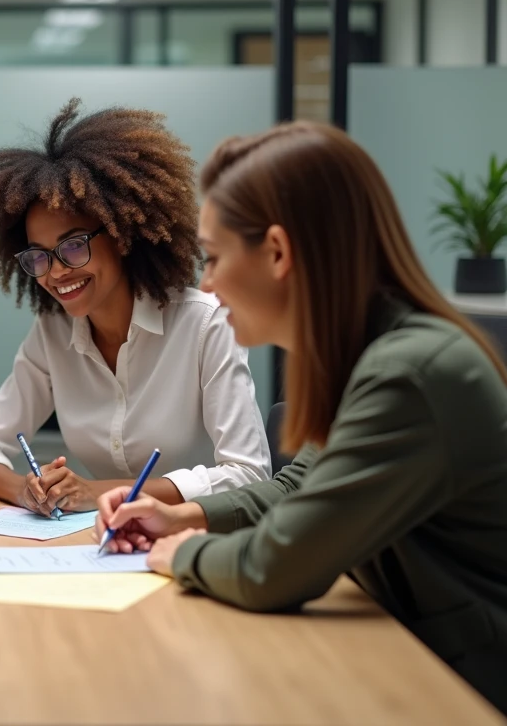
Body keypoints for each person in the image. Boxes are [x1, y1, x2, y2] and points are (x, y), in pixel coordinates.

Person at [95, 121, 507, 713]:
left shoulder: (410, 374)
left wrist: (178, 553)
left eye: (212, 259)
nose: (206, 283)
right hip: (407, 656)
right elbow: (297, 488)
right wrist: (180, 516)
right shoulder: (364, 354)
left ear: (279, 253)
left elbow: (274, 567)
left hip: (463, 688)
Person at [0, 99, 270, 515]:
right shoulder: (53, 332)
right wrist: (23, 490)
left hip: (199, 538)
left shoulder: (206, 323)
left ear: (120, 236)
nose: (57, 272)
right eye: (39, 256)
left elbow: (249, 473)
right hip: (106, 543)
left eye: (73, 246)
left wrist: (99, 491)